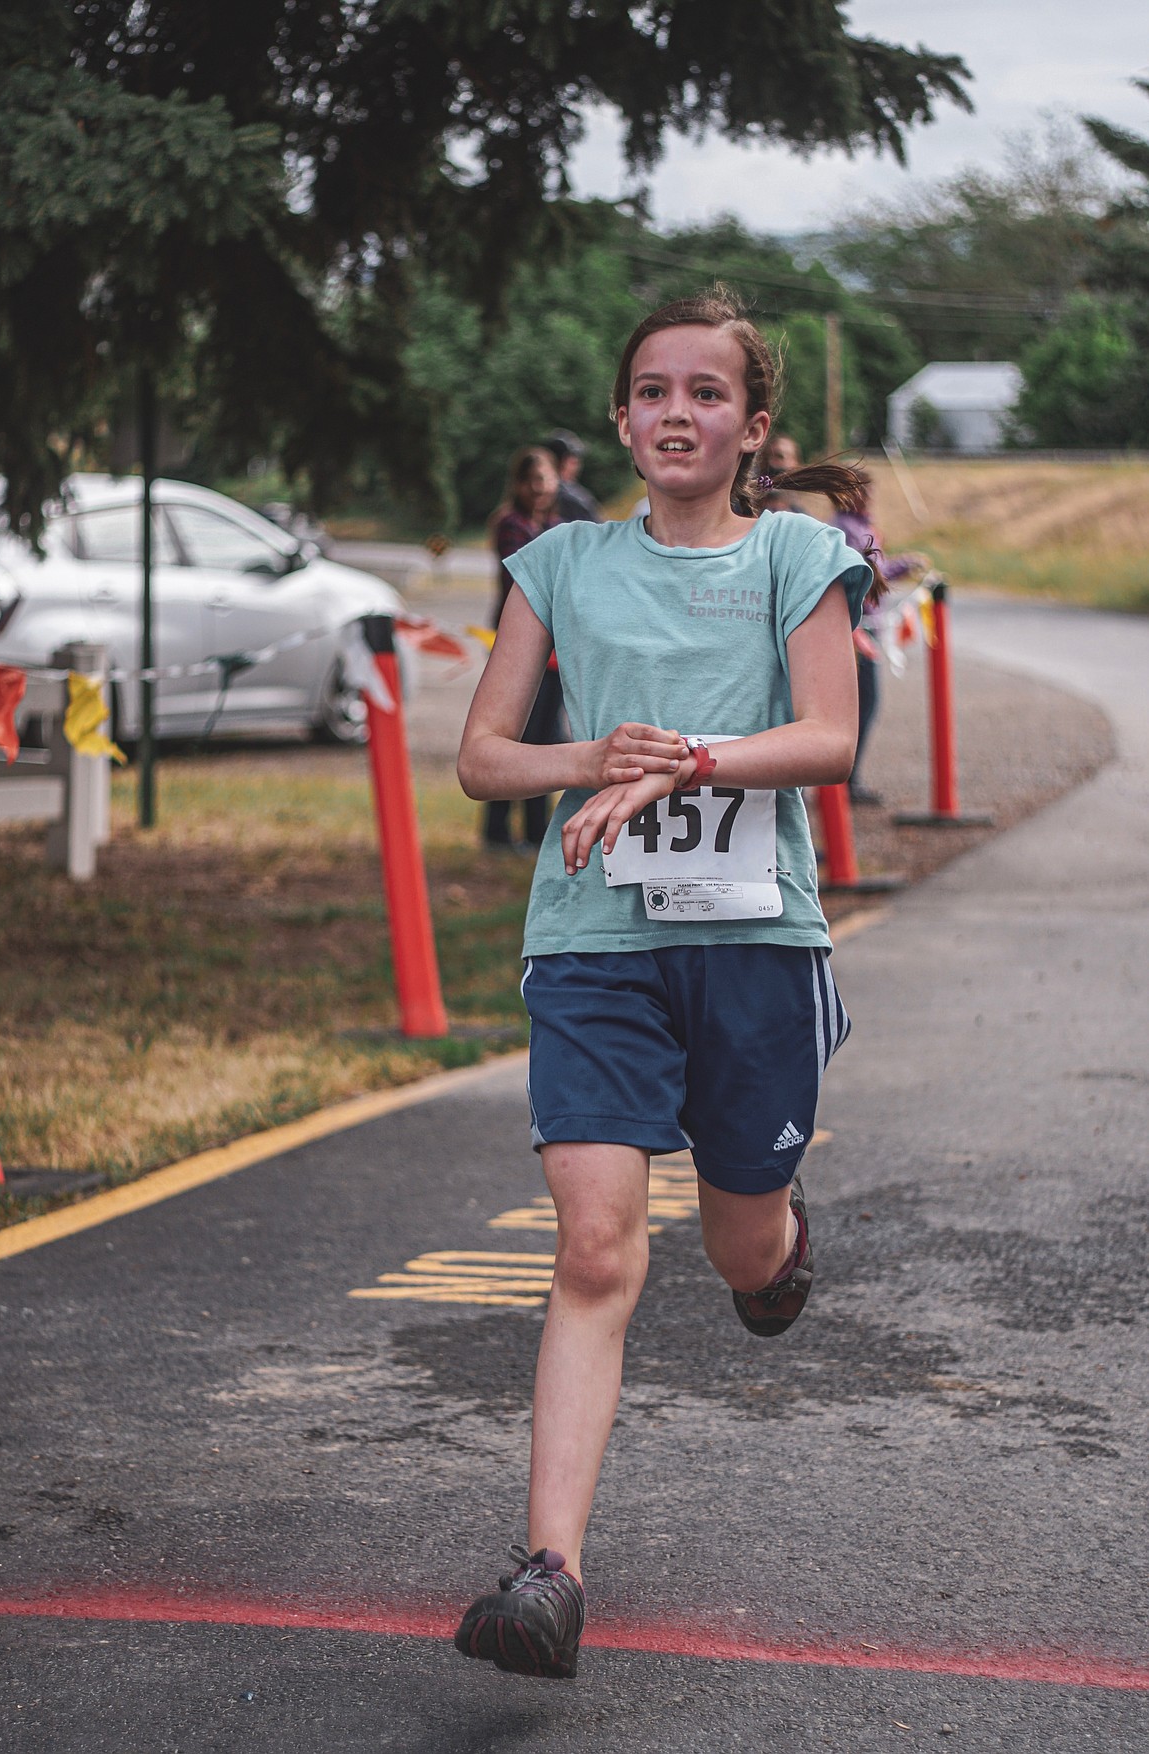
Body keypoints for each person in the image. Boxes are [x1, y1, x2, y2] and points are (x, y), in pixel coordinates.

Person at [455, 289, 881, 1680]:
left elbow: (824, 736)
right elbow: (481, 759)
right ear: (624, 417)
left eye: (705, 393)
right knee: (592, 1246)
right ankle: (549, 1572)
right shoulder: (560, 561)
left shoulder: (796, 555)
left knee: (737, 1244)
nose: (675, 412)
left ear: (750, 425)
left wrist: (679, 764)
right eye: (650, 391)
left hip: (753, 942)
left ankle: (774, 1249)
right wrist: (591, 764)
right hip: (593, 941)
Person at [483, 446, 565, 850]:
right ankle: (496, 832)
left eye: (547, 479)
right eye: (534, 480)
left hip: (552, 651)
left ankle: (536, 831)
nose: (542, 488)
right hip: (516, 648)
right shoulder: (511, 526)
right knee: (509, 740)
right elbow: (532, 575)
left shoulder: (555, 525)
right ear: (519, 484)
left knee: (545, 740)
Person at [833, 484, 928, 804]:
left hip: (870, 624)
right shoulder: (845, 529)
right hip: (855, 629)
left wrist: (904, 564)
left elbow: (879, 572)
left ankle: (849, 778)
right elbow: (862, 575)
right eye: (861, 492)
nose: (868, 498)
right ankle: (844, 780)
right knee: (860, 705)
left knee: (865, 705)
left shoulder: (863, 527)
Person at [543, 430, 604, 524]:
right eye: (574, 458)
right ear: (562, 461)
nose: (578, 463)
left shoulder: (569, 489)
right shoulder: (568, 496)